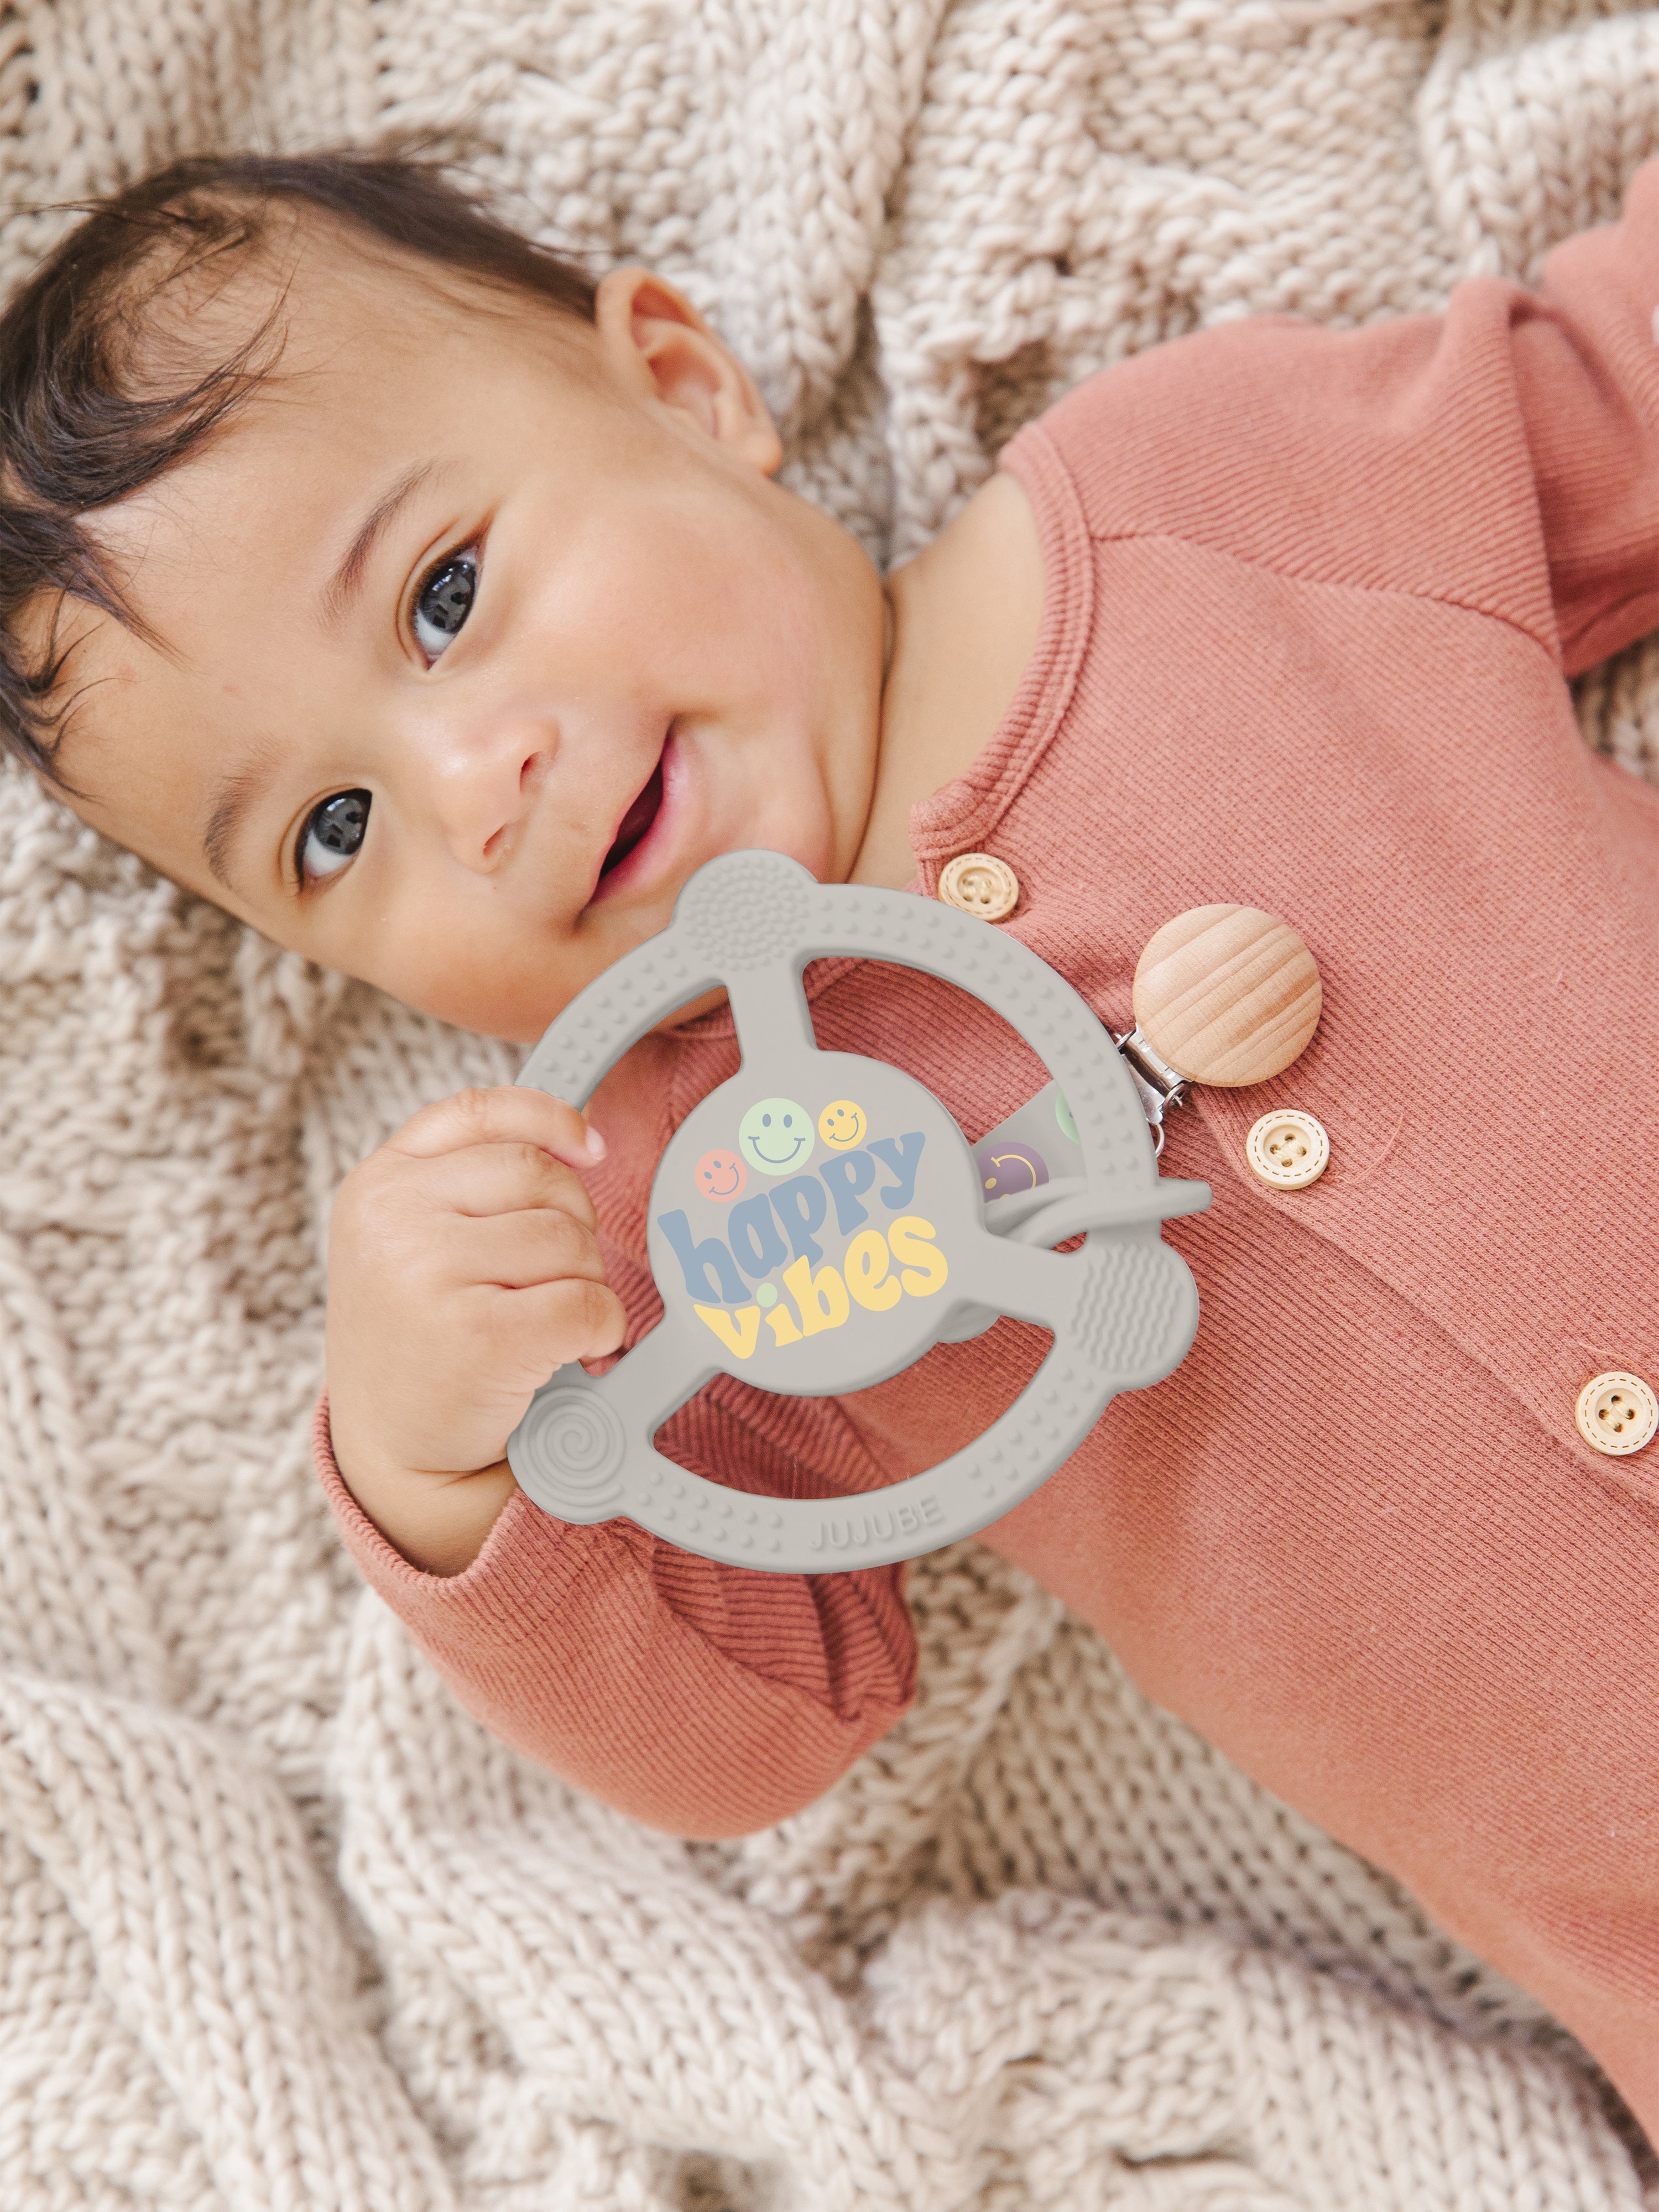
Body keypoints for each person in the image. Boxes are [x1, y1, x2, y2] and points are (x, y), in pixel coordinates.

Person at [2, 150, 1657, 2143]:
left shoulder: (1193, 503)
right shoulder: (679, 1226)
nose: (469, 784)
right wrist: (443, 1463)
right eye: (330, 835)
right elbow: (751, 1717)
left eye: (447, 595)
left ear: (687, 389)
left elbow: (1607, 390)